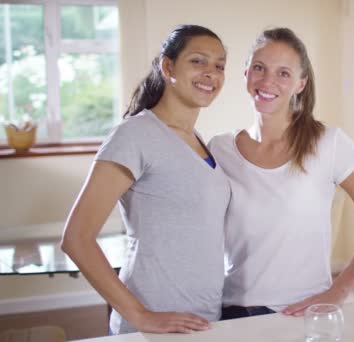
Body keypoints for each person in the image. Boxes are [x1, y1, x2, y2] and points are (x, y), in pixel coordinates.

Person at [209, 27, 354, 320]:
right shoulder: (220, 149)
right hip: (235, 311)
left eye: (283, 73)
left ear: (300, 84)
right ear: (245, 73)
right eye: (259, 68)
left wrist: (339, 291)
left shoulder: (329, 143)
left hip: (305, 312)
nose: (268, 80)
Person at [61, 25, 230, 334]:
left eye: (219, 66)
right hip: (154, 323)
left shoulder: (198, 139)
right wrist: (141, 316)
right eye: (198, 61)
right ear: (168, 67)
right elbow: (76, 238)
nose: (211, 73)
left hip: (205, 318)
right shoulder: (135, 135)